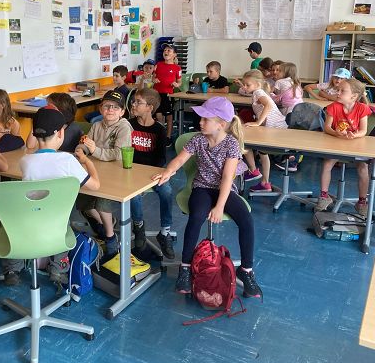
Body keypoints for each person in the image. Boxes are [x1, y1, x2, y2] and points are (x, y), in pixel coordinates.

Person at [155, 97, 262, 299]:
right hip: (202, 188)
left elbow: (227, 178)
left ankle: (246, 270)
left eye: (206, 119)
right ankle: (185, 267)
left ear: (221, 124)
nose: (200, 122)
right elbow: (179, 160)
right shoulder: (198, 139)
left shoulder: (231, 144)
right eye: (201, 118)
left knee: (246, 220)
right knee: (196, 217)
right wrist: (168, 171)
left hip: (224, 189)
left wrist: (220, 206)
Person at [7, 106, 100, 285]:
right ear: (60, 133)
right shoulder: (68, 161)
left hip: (27, 220)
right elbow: (95, 185)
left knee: (16, 225)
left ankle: (13, 268)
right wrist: (87, 162)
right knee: (62, 225)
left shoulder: (25, 161)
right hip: (57, 223)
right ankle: (58, 269)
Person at [76, 90, 132, 260]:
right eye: (107, 106)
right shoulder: (96, 125)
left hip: (116, 173)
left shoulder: (124, 127)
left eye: (115, 107)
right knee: (82, 201)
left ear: (122, 112)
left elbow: (118, 154)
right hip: (96, 170)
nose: (110, 110)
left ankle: (110, 236)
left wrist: (94, 150)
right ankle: (103, 223)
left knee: (102, 203)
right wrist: (81, 149)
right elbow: (86, 144)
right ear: (100, 109)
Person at [128, 88, 174, 259]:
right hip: (131, 171)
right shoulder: (128, 125)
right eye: (133, 101)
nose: (133, 104)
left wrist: (147, 175)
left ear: (150, 107)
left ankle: (165, 231)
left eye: (138, 102)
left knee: (166, 191)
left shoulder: (159, 130)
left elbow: (161, 159)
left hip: (152, 172)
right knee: (133, 195)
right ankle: (138, 226)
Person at [315, 78, 372, 215]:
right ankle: (324, 196)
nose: (338, 93)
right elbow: (327, 128)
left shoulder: (362, 108)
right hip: (337, 143)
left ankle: (362, 201)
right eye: (338, 90)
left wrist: (354, 135)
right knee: (327, 164)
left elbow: (363, 131)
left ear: (354, 96)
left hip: (356, 144)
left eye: (342, 91)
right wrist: (336, 133)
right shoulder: (333, 107)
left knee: (363, 167)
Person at [240, 70, 288, 193]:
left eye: (247, 85)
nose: (244, 87)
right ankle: (265, 183)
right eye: (243, 84)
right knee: (262, 152)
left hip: (274, 129)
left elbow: (268, 105)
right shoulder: (258, 91)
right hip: (276, 128)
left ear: (257, 84)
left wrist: (258, 123)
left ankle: (253, 170)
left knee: (243, 141)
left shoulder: (258, 92)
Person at [153, 44, 182, 145]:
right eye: (165, 50)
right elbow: (153, 77)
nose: (166, 52)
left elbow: (179, 82)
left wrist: (176, 84)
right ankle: (161, 135)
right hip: (157, 93)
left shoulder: (177, 68)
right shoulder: (158, 65)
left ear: (174, 54)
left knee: (169, 116)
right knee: (158, 115)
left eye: (169, 50)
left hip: (168, 94)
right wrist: (154, 79)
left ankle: (168, 137)